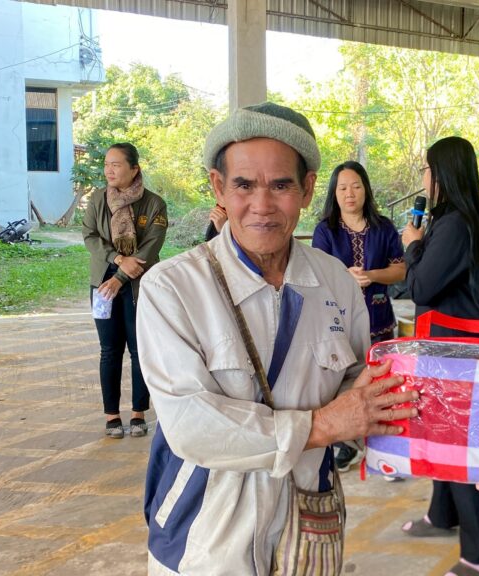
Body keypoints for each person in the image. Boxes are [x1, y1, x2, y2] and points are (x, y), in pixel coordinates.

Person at [136, 102, 418, 574]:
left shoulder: (336, 281)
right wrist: (322, 426)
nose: (262, 205)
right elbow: (191, 424)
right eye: (244, 185)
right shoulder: (172, 289)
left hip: (309, 523)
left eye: (282, 185)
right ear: (218, 187)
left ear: (307, 189)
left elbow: (359, 385)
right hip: (205, 536)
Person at [399, 136, 479, 576]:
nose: (424, 177)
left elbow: (421, 286)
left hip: (458, 354)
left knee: (467, 447)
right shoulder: (473, 221)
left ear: (442, 174)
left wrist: (412, 244)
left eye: (427, 169)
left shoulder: (455, 225)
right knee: (444, 435)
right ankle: (443, 514)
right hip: (458, 350)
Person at [312, 161, 406, 473]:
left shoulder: (383, 227)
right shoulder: (326, 230)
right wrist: (344, 277)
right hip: (336, 322)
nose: (349, 193)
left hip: (379, 317)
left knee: (382, 381)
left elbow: (400, 269)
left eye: (355, 186)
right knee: (340, 380)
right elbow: (316, 272)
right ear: (334, 193)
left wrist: (372, 275)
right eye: (342, 188)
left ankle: (386, 445)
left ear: (365, 190)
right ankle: (345, 443)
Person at [82, 142, 168, 439]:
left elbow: (151, 246)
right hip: (102, 283)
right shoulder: (98, 199)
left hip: (139, 284)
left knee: (139, 349)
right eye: (106, 164)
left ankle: (138, 413)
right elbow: (89, 235)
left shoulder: (154, 204)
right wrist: (117, 259)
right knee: (109, 350)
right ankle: (112, 416)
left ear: (134, 169)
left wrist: (121, 276)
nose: (109, 170)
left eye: (116, 164)